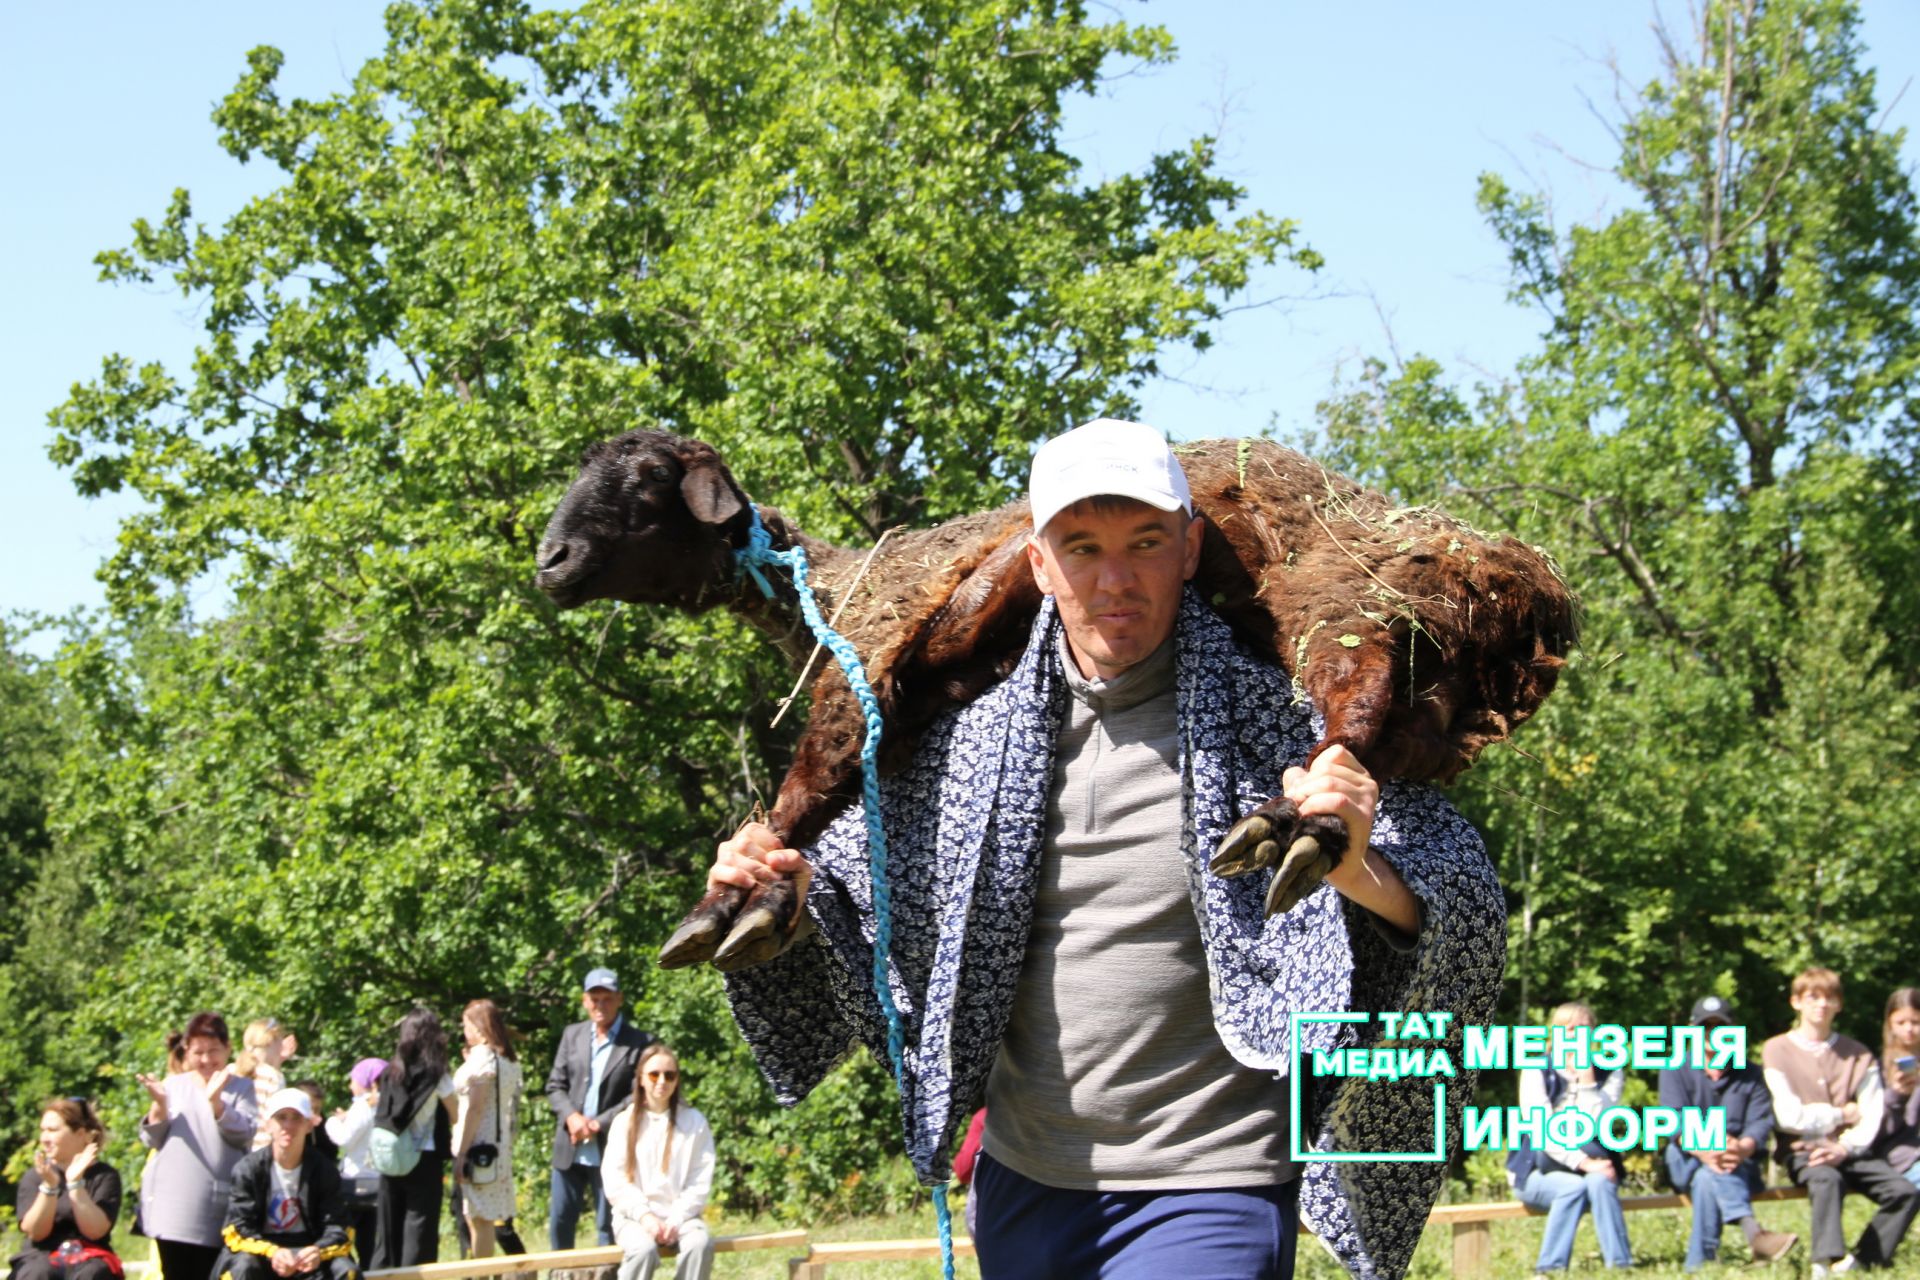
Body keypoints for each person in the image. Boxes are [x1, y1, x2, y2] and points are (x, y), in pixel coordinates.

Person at [713, 419, 1506, 1279]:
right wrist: (782, 888)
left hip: (1214, 1187)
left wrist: (1358, 868)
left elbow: (1459, 900)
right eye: (1082, 547)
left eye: (1147, 541)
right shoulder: (968, 741)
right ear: (1039, 564)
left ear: (1192, 549)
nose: (1115, 579)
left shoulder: (1287, 725)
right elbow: (868, 911)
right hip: (1027, 1186)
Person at [1763, 967, 1920, 1276]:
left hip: (1850, 1149)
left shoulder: (1858, 1055)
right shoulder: (1776, 1049)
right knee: (1826, 1179)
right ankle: (1824, 1261)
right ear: (1796, 1002)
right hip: (1803, 1150)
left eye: (1829, 998)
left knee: (1905, 1192)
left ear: (1839, 1004)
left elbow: (1871, 1114)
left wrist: (1845, 1146)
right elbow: (1789, 1116)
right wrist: (1840, 1115)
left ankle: (1863, 1260)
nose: (1821, 1005)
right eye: (1813, 997)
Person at [1657, 995, 1797, 1270]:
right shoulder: (1673, 1069)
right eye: (1704, 1027)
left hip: (1737, 1162)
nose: (1712, 1034)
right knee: (1703, 1168)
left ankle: (1699, 1267)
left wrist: (1742, 1146)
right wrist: (1705, 1148)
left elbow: (1760, 1122)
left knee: (1708, 1178)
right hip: (1685, 1156)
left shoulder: (1752, 1072)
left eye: (1719, 1027)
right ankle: (1754, 1233)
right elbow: (1672, 1121)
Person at [1504, 1001, 1634, 1274]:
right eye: (1569, 1028)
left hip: (1593, 1163)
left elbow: (1597, 1125)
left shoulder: (1611, 1071)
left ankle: (1621, 1266)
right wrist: (1584, 1163)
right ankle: (1550, 1269)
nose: (1575, 1034)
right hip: (1536, 1169)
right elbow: (1542, 1130)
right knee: (1574, 1185)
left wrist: (1587, 1080)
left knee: (1599, 1181)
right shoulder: (1537, 1068)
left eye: (1583, 1028)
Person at [139, 1012, 260, 1280]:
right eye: (198, 1052)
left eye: (213, 1051)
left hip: (218, 1206)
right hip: (173, 1209)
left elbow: (244, 1134)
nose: (206, 1060)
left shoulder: (241, 1088)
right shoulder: (173, 1086)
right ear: (186, 1051)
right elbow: (151, 1139)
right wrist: (159, 1105)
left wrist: (217, 1103)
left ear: (228, 1049)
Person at [546, 968, 652, 1251]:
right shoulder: (572, 1035)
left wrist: (598, 1124)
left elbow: (638, 1095)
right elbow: (555, 1086)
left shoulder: (640, 1042)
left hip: (611, 1147)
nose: (600, 1005)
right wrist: (572, 1117)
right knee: (560, 1221)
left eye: (607, 999)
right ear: (584, 1000)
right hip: (570, 1146)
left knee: (609, 1227)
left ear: (620, 999)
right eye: (595, 999)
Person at [214, 1089, 357, 1280]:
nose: (288, 1126)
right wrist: (272, 1252)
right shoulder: (248, 1169)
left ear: (309, 1125)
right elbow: (236, 1229)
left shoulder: (325, 1170)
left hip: (308, 1252)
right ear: (268, 1125)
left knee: (345, 1270)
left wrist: (318, 1251)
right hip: (263, 1251)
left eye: (296, 1118)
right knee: (241, 1267)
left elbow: (339, 1227)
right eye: (281, 1117)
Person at [601, 1044, 715, 1280]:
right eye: (654, 1074)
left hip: (682, 1218)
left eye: (669, 1075)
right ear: (641, 1079)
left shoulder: (694, 1122)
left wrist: (676, 1218)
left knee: (700, 1243)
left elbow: (699, 1179)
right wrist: (645, 1216)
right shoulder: (624, 1122)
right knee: (643, 1250)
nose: (661, 1081)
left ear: (677, 1080)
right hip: (634, 1218)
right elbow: (616, 1180)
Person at [371, 1008, 456, 1268]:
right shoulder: (437, 1074)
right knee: (419, 1230)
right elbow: (455, 1114)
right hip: (423, 1157)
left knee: (388, 1229)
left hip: (389, 1157)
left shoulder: (390, 1072)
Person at [10, 1098, 123, 1280]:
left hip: (90, 1256)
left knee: (92, 1274)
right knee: (37, 1272)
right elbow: (36, 1233)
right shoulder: (35, 1176)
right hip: (41, 1255)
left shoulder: (104, 1175)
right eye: (43, 1130)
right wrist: (49, 1186)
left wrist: (75, 1183)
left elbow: (95, 1231)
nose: (44, 1139)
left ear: (81, 1134)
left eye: (53, 1130)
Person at [453, 999, 523, 1258]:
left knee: (479, 1218)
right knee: (482, 1215)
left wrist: (461, 1153)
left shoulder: (483, 1057)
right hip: (497, 1143)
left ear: (479, 1027)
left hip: (478, 1143)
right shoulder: (506, 1057)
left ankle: (481, 1274)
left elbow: (476, 1107)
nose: (464, 1031)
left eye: (467, 1025)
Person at [323, 1060, 386, 1268]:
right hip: (379, 1182)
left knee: (345, 1240)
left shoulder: (362, 1106)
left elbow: (344, 1138)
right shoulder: (386, 1103)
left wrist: (332, 1122)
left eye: (353, 1079)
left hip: (356, 1182)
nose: (351, 1085)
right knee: (370, 1244)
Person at [1877, 988, 1920, 1190]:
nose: (1909, 1029)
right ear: (1890, 1025)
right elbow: (1879, 1130)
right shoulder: (1880, 1068)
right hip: (1901, 1154)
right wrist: (1896, 1095)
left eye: (1915, 1022)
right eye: (1901, 1023)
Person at [234, 1022, 297, 1152]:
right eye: (280, 1042)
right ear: (271, 1043)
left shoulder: (232, 1070)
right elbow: (276, 1120)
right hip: (260, 1151)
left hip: (233, 1150)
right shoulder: (273, 1078)